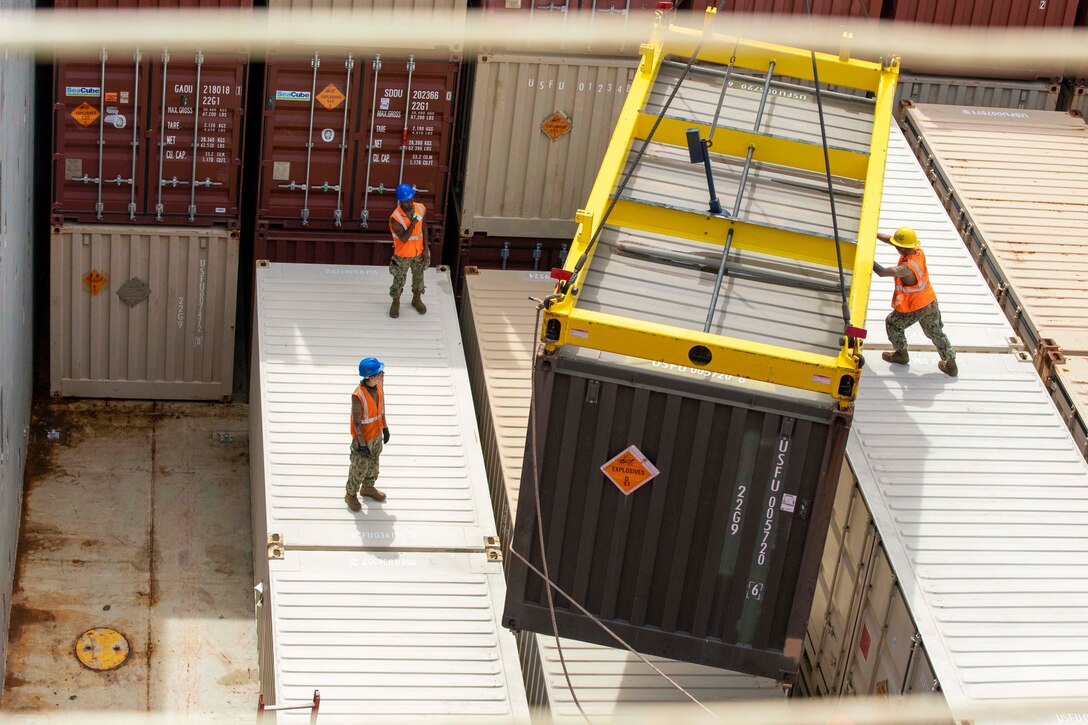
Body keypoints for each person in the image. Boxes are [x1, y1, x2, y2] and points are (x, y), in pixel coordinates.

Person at [873, 226, 958, 377]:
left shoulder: (907, 268)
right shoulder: (918, 251)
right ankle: (951, 364)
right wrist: (872, 233)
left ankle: (901, 354)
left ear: (901, 248)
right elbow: (892, 240)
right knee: (936, 332)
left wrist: (866, 256)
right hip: (930, 300)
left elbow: (882, 272)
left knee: (892, 323)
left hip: (916, 305)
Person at [345, 357, 390, 510]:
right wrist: (362, 445)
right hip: (363, 439)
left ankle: (368, 487)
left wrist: (385, 427)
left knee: (373, 464)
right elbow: (357, 423)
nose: (383, 374)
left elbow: (381, 409)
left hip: (376, 435)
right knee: (359, 467)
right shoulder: (358, 396)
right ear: (371, 376)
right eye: (380, 372)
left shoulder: (379, 386)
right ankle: (350, 495)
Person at [388, 183, 429, 318]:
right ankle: (396, 302)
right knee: (399, 279)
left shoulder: (420, 208)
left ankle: (416, 299)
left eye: (411, 199)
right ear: (400, 201)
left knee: (419, 277)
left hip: (418, 252)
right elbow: (404, 238)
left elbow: (424, 229)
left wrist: (426, 250)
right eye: (406, 202)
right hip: (403, 255)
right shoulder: (396, 219)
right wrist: (412, 223)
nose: (410, 204)